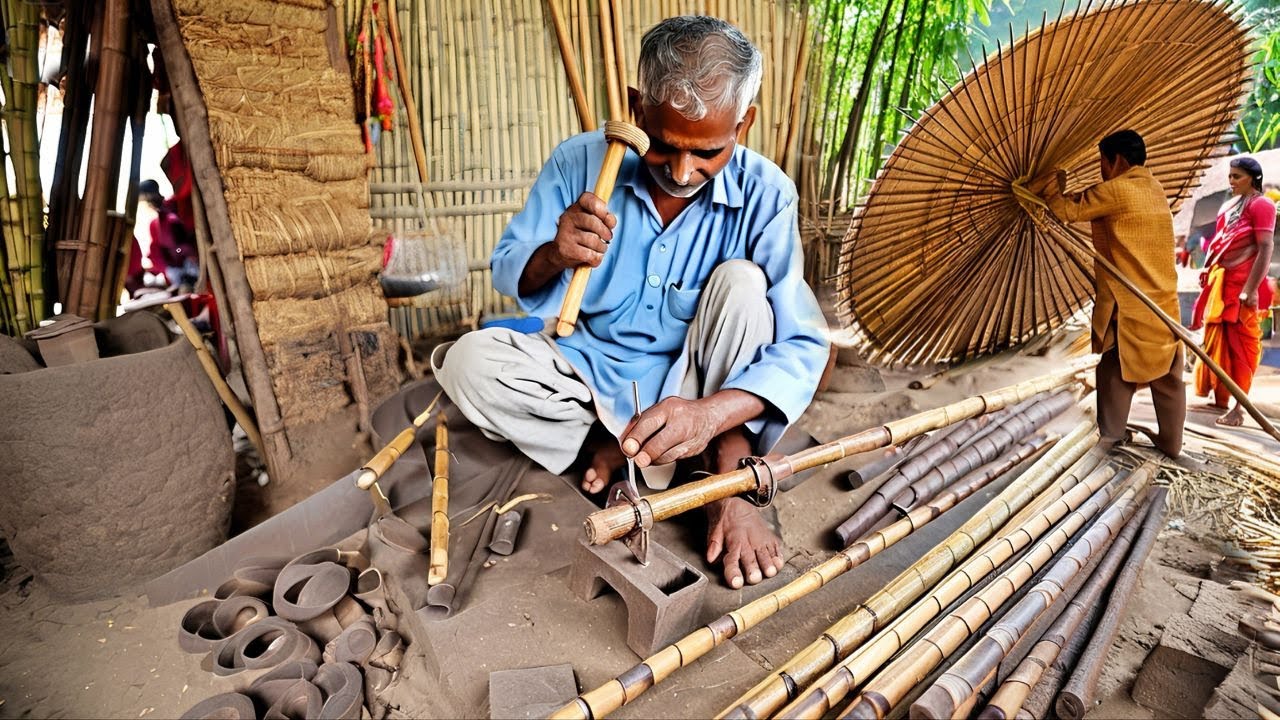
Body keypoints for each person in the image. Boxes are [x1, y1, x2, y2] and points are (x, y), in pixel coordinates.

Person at [433, 16, 829, 589]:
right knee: (471, 362)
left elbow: (801, 343)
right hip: (587, 370)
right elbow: (507, 269)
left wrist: (710, 414)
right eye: (664, 147)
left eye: (708, 152)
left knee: (746, 288)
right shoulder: (579, 163)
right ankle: (607, 445)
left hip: (696, 381)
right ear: (636, 107)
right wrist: (553, 252)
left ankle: (724, 473)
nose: (682, 172)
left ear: (745, 122)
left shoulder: (768, 195)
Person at [1038, 129, 1186, 457]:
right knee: (1168, 376)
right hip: (1163, 302)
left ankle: (1111, 436)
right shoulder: (1154, 187)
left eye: (1102, 162)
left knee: (1114, 366)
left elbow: (1067, 209)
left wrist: (1049, 181)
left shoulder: (1117, 190)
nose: (1101, 169)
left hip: (1131, 303)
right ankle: (1172, 441)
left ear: (1116, 160)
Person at [1191, 156, 1276, 426]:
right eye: (1230, 175)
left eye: (1237, 176)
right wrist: (1207, 269)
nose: (1231, 181)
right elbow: (1218, 242)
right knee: (1218, 341)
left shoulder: (1262, 205)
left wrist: (1249, 290)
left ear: (1252, 178)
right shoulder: (1229, 205)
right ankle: (1222, 399)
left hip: (1245, 284)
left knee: (1242, 346)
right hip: (1222, 281)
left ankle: (1239, 408)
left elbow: (1265, 248)